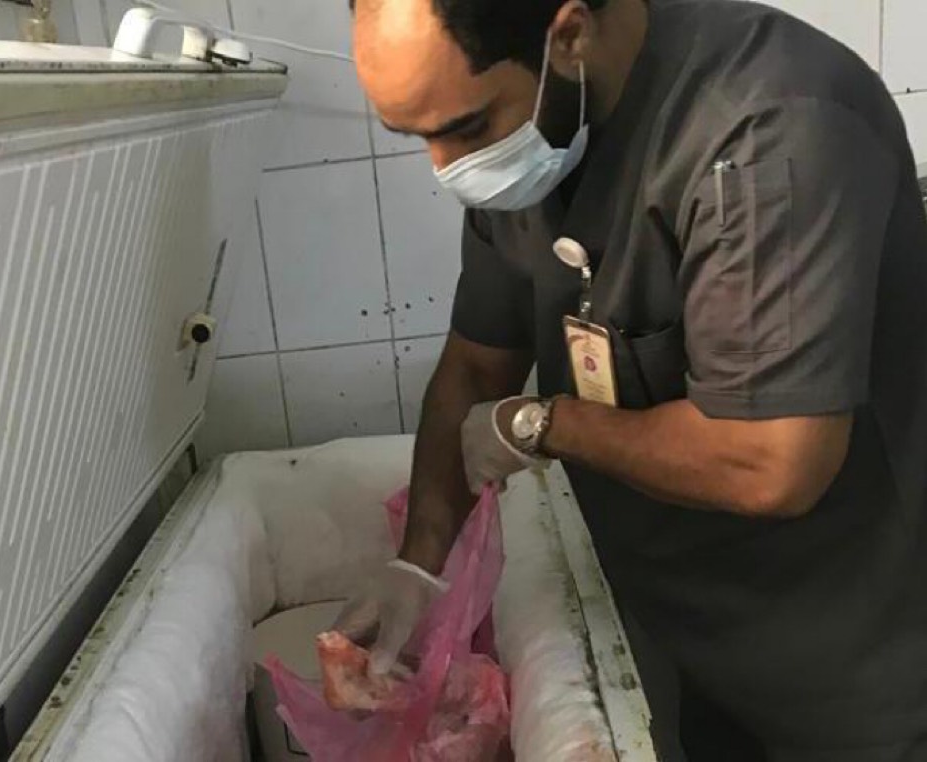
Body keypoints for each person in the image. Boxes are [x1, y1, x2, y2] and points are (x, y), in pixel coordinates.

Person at [332, 0, 927, 759]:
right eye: (417, 137)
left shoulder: (768, 127)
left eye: (468, 128)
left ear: (570, 34)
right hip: (690, 641)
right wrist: (418, 565)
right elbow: (477, 363)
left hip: (859, 655)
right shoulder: (542, 141)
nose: (448, 169)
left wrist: (545, 424)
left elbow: (773, 462)